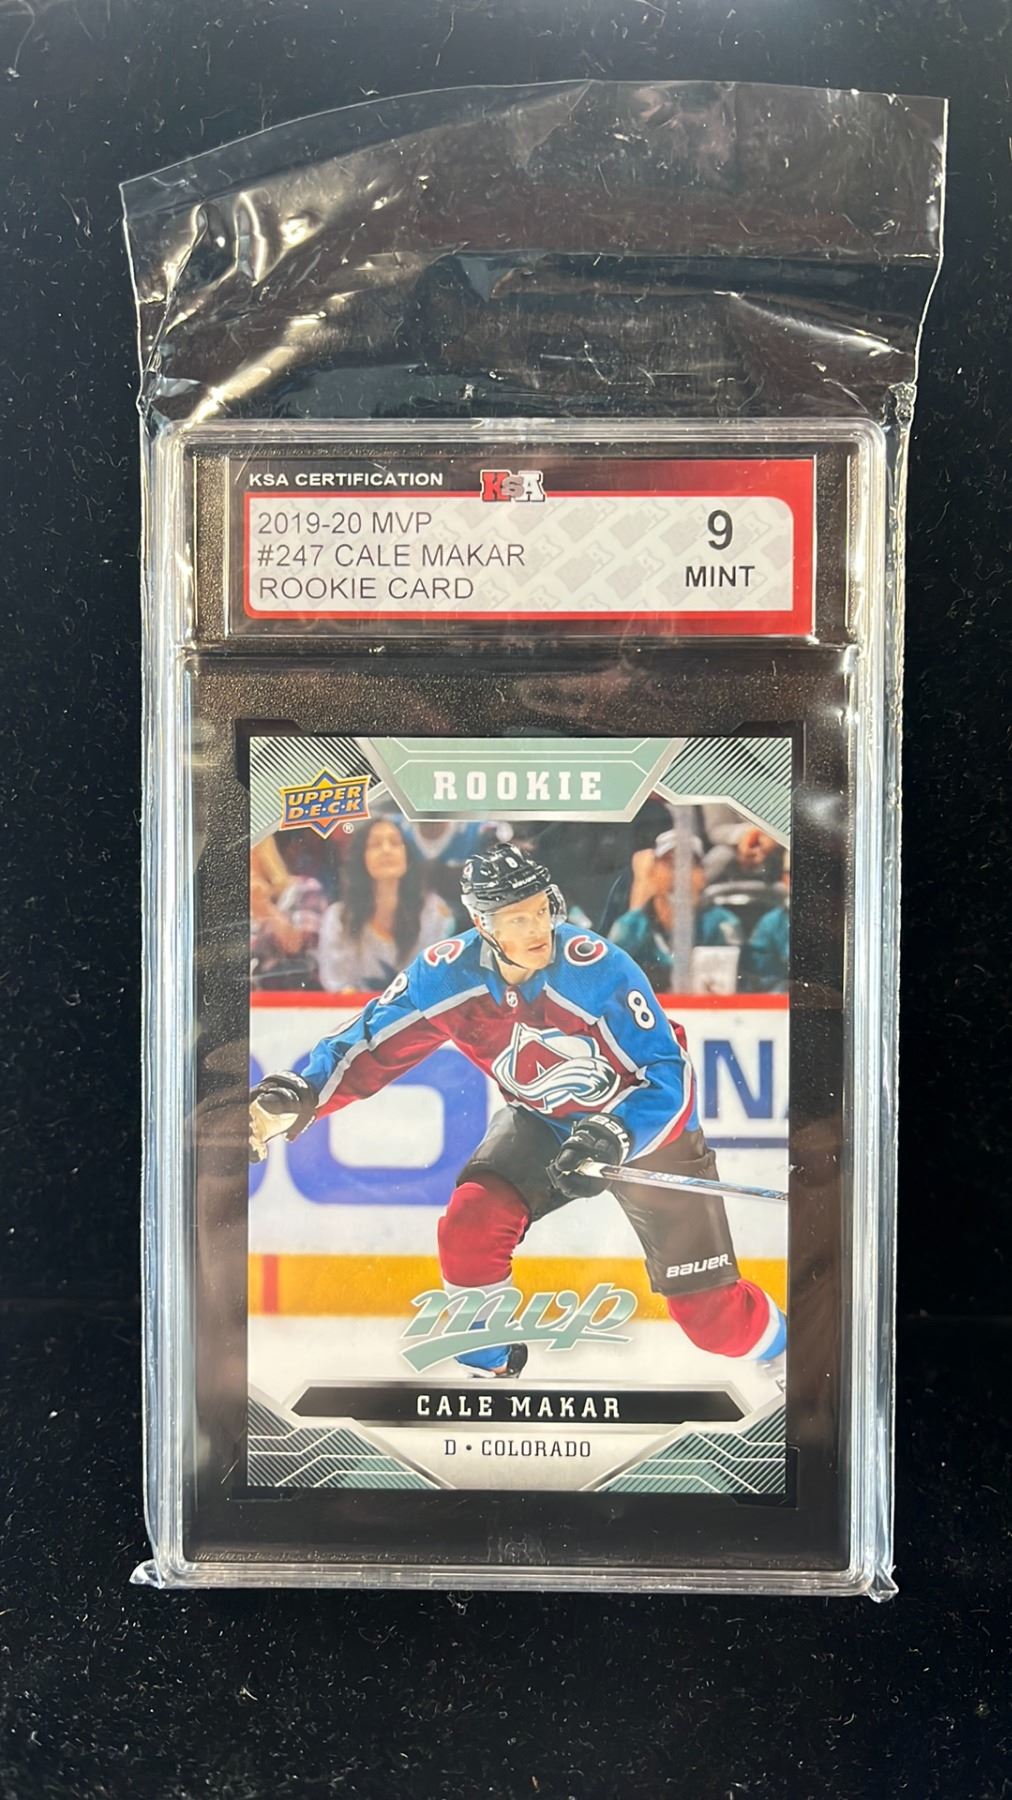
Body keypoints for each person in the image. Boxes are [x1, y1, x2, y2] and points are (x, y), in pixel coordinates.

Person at [250, 848, 785, 1380]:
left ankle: (788, 1349)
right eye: (517, 919)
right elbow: (368, 1044)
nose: (538, 929)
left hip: (647, 1132)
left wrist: (615, 1133)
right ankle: (490, 1369)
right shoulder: (445, 976)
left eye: (541, 910)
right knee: (471, 1223)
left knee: (713, 1321)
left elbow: (667, 1074)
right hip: (544, 1122)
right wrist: (302, 1093)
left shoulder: (598, 969)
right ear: (483, 923)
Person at [317, 817, 453, 993]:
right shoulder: (337, 918)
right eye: (375, 844)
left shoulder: (434, 913)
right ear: (361, 857)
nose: (386, 850)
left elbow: (437, 980)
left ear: (407, 856)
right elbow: (338, 985)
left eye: (395, 843)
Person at [608, 828, 742, 992]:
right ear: (653, 872)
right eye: (670, 865)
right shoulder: (630, 927)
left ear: (702, 876)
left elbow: (743, 985)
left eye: (689, 865)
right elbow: (610, 981)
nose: (680, 876)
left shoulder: (723, 924)